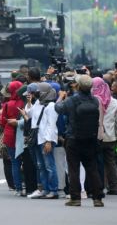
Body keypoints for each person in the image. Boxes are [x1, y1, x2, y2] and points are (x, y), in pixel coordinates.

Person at [55, 74, 104, 207]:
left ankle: (75, 198)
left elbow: (58, 109)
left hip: (73, 139)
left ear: (78, 86)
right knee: (92, 168)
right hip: (90, 139)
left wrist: (60, 98)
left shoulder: (71, 100)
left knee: (73, 169)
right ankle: (97, 198)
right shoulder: (95, 101)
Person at [92, 77, 117, 195]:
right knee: (110, 162)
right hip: (111, 136)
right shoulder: (115, 102)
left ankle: (99, 186)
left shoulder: (94, 101)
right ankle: (113, 187)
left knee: (98, 162)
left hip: (97, 136)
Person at [0, 80, 24, 196]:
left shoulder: (7, 104)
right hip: (23, 135)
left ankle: (18, 188)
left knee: (15, 162)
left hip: (9, 135)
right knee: (27, 162)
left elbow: (2, 121)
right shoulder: (24, 103)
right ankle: (28, 186)